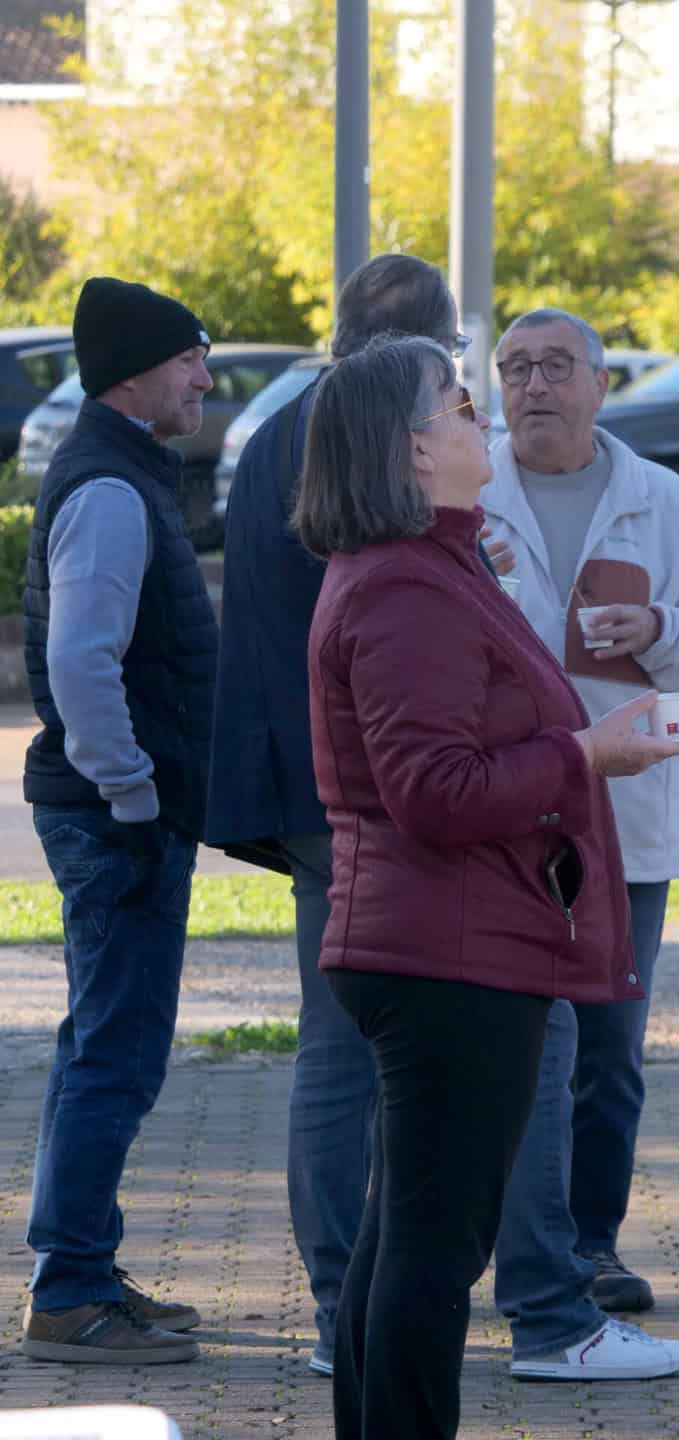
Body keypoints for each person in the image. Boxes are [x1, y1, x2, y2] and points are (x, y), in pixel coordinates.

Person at [295, 334, 679, 1440]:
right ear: (412, 448)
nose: (482, 415)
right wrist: (586, 756)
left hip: (445, 944)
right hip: (445, 956)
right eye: (459, 403)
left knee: (407, 1240)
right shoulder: (403, 587)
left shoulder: (434, 563)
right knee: (432, 1256)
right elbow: (432, 790)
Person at [206, 254, 482, 1378]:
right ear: (419, 351)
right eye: (452, 362)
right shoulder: (353, 439)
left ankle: (346, 1302)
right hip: (358, 786)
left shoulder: (282, 426)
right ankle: (343, 1308)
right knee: (353, 1052)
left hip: (311, 781)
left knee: (343, 1047)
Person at [479, 309, 679, 1376]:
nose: (534, 385)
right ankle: (520, 1254)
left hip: (625, 831)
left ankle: (589, 1251)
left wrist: (663, 635)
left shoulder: (664, 503)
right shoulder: (466, 496)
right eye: (515, 368)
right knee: (511, 1052)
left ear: (602, 384)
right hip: (501, 819)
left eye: (556, 366)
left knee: (607, 1059)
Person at [19, 278, 216, 1366]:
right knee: (115, 1054)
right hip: (116, 817)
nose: (204, 377)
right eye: (191, 357)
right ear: (136, 374)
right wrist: (134, 793)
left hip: (119, 809)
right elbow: (80, 663)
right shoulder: (110, 490)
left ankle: (81, 1267)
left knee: (103, 1045)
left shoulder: (124, 471)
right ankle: (71, 1295)